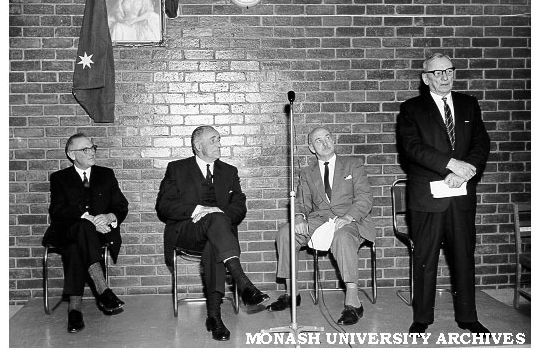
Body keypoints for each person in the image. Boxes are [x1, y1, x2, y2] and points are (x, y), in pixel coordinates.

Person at [397, 53, 491, 335]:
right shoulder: (412, 108)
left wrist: (465, 170)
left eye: (449, 71)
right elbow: (412, 148)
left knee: (463, 256)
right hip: (427, 198)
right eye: (437, 73)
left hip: (461, 195)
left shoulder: (469, 104)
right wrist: (451, 165)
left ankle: (468, 317)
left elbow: (481, 143)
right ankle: (422, 318)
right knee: (425, 258)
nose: (444, 77)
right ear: (426, 79)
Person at [155, 126, 269, 341]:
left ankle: (214, 318)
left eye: (219, 139)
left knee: (214, 242)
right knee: (216, 223)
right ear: (198, 146)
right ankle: (242, 281)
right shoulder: (176, 169)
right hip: (187, 231)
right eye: (214, 140)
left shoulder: (229, 171)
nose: (219, 144)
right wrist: (199, 210)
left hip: (217, 238)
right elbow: (164, 205)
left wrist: (218, 211)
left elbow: (239, 206)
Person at [267, 127, 374, 326]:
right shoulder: (307, 173)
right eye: (318, 141)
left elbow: (365, 197)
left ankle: (353, 302)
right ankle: (291, 293)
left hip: (350, 219)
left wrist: (349, 216)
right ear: (311, 148)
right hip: (320, 220)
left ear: (333, 140)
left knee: (342, 237)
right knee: (286, 233)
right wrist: (299, 217)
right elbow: (301, 201)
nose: (325, 143)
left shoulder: (353, 165)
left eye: (328, 138)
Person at [42, 133, 129, 333]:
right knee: (82, 228)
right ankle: (103, 289)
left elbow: (121, 205)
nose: (91, 152)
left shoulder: (106, 174)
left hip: (97, 234)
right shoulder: (59, 178)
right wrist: (88, 218)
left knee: (75, 246)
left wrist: (108, 216)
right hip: (67, 231)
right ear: (72, 154)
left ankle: (74, 310)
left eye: (92, 148)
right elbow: (57, 211)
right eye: (85, 149)